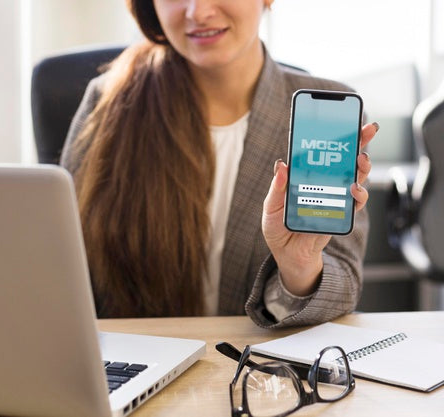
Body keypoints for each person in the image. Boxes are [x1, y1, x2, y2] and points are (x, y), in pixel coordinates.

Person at [60, 0, 378, 328]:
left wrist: (299, 268)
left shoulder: (324, 116)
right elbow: (63, 267)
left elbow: (343, 287)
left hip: (255, 367)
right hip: (140, 359)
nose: (197, 12)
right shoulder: (109, 101)